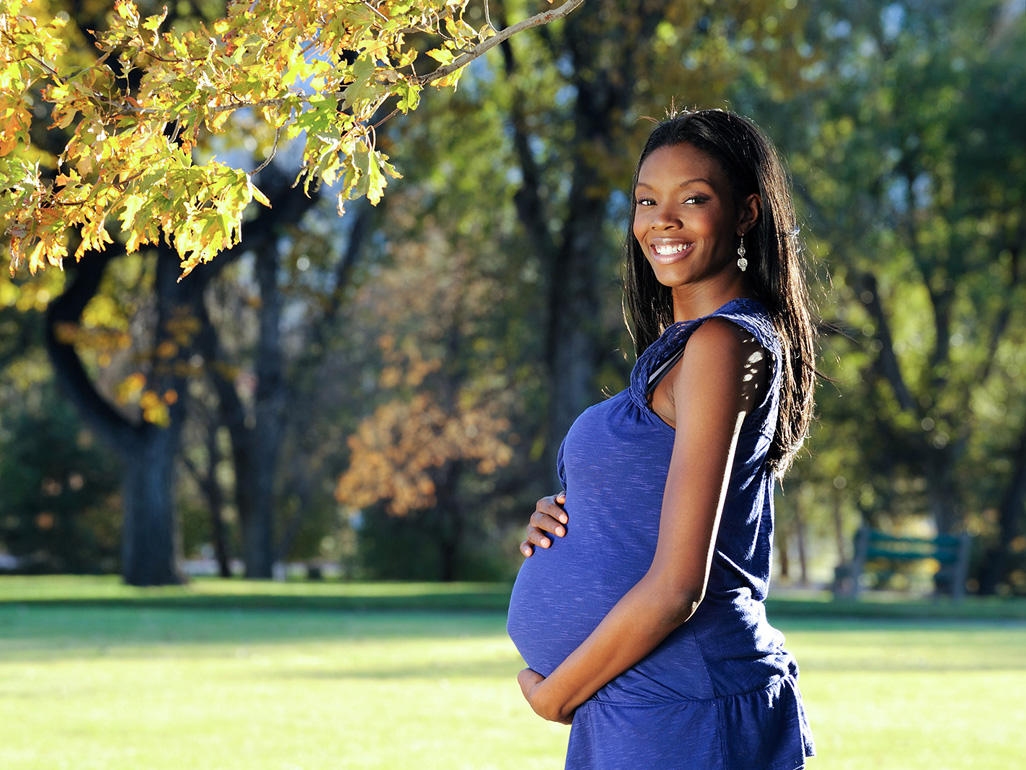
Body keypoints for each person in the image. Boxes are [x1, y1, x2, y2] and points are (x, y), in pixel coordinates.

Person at [505, 108, 817, 769]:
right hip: (639, 699)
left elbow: (680, 585)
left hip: (681, 706)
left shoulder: (724, 344)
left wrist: (555, 696)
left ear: (745, 212)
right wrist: (571, 520)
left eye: (693, 198)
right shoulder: (681, 353)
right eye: (646, 201)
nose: (661, 220)